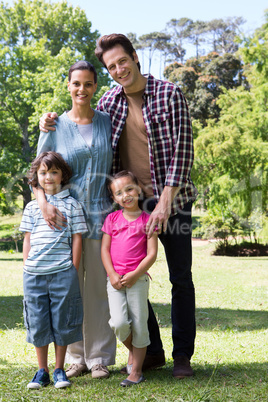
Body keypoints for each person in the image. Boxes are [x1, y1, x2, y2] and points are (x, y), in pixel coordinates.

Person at [39, 33, 198, 378]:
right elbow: (78, 122)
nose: (118, 70)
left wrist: (163, 205)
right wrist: (48, 121)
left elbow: (182, 154)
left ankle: (182, 355)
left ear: (134, 57)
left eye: (122, 61)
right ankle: (151, 352)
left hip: (172, 200)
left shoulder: (169, 94)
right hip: (131, 209)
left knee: (180, 278)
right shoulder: (111, 102)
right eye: (111, 66)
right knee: (132, 275)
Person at [35, 61, 116, 379]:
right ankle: (75, 357)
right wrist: (43, 205)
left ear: (96, 87)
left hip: (100, 218)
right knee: (70, 291)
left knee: (98, 289)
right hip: (64, 222)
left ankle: (98, 358)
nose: (82, 89)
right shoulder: (54, 126)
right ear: (68, 86)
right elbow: (38, 173)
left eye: (88, 84)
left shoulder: (107, 122)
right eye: (76, 84)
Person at [20, 151, 88, 389]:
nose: (48, 177)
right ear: (37, 177)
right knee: (38, 322)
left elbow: (77, 239)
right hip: (34, 274)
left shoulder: (73, 205)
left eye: (53, 172)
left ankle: (60, 370)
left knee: (63, 321)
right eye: (43, 172)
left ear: (63, 175)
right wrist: (27, 264)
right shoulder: (31, 207)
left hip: (63, 272)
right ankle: (42, 371)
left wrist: (73, 268)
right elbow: (27, 239)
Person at [101, 170, 158, 386]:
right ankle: (135, 353)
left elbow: (152, 253)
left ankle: (136, 371)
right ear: (114, 198)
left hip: (138, 280)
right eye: (119, 193)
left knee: (140, 325)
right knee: (118, 323)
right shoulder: (111, 219)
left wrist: (135, 274)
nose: (125, 195)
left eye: (129, 189)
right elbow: (105, 250)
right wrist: (113, 275)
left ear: (139, 189)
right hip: (115, 281)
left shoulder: (148, 220)